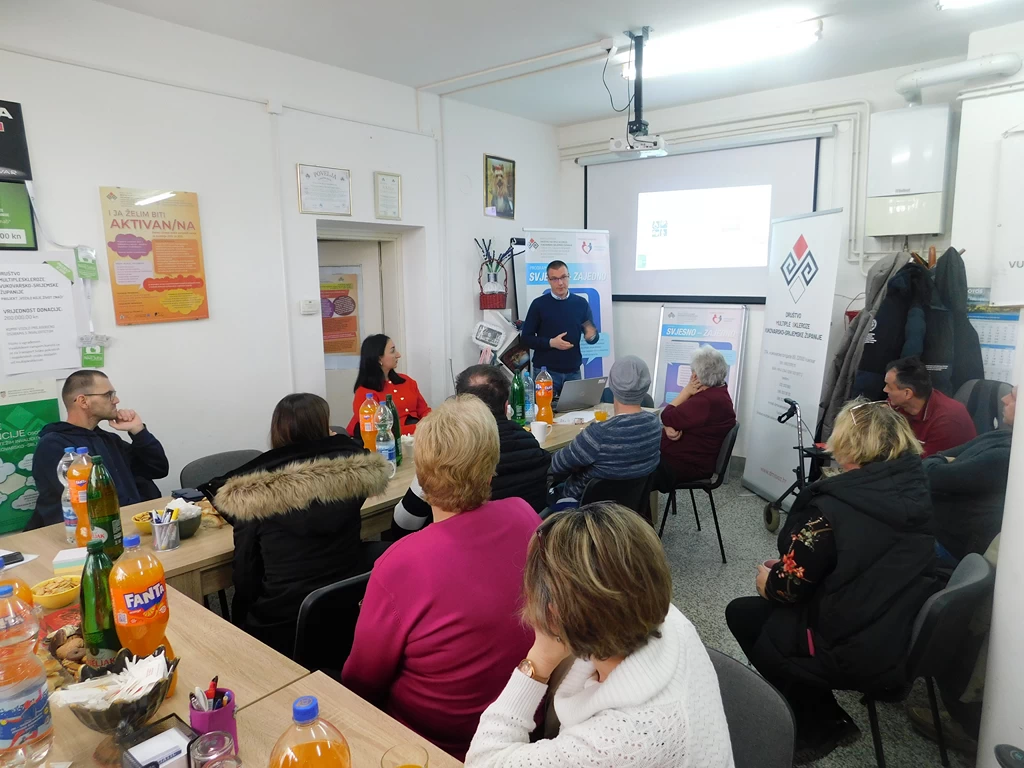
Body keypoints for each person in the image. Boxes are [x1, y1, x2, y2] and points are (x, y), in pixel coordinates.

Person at [725, 398, 939, 763]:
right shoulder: (914, 491)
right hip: (894, 631)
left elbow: (786, 590)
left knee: (744, 614)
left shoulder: (831, 511)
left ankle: (818, 722)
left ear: (849, 446)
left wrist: (769, 581)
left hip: (851, 646)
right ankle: (822, 711)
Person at [342, 396, 541, 760]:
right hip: (524, 725)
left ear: (421, 476)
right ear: (491, 467)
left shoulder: (400, 564)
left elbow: (360, 682)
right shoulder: (525, 515)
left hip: (430, 747)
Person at [465, 502, 734, 768]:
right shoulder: (667, 618)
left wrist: (539, 660)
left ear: (554, 614)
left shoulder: (620, 742)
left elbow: (483, 760)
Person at [201, 393, 391, 656]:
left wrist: (242, 622)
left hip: (280, 625)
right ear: (323, 429)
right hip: (344, 610)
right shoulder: (352, 480)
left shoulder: (254, 497)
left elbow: (245, 575)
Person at [391, 365, 550, 537]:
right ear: (506, 406)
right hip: (526, 542)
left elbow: (404, 524)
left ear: (460, 404)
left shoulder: (448, 455)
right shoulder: (532, 445)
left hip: (457, 545)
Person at [26, 370, 168, 530]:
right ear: (83, 401)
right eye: (109, 395)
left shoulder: (108, 439)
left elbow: (158, 469)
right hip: (83, 532)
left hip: (125, 524)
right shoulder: (53, 445)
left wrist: (138, 431)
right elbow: (92, 501)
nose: (116, 400)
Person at [549, 355, 661, 509]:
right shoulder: (654, 425)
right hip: (629, 510)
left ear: (612, 386)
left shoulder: (598, 434)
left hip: (581, 511)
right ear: (646, 386)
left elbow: (556, 465)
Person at [924, 386, 1015, 563]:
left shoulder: (1007, 456)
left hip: (949, 546)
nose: (1004, 399)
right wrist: (943, 460)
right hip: (933, 527)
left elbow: (931, 475)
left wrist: (947, 460)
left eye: (1013, 397)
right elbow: (935, 458)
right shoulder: (1002, 435)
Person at [655, 345, 737, 491]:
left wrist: (685, 391)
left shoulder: (705, 402)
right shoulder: (719, 392)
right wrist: (669, 426)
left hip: (686, 464)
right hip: (690, 459)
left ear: (695, 376)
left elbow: (666, 415)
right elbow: (673, 418)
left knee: (636, 469)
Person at [520, 260, 600, 397]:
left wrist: (591, 336)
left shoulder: (581, 304)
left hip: (573, 372)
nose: (560, 283)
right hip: (545, 372)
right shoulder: (539, 305)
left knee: (576, 409)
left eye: (563, 277)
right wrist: (551, 343)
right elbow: (526, 338)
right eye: (555, 279)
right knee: (544, 409)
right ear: (548, 280)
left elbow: (591, 335)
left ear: (569, 276)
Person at [884, 356, 976, 457]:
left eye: (889, 387)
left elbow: (925, 463)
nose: (885, 390)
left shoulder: (947, 421)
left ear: (907, 393)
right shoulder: (898, 405)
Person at [345, 334, 430, 437]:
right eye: (392, 351)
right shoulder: (365, 392)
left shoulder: (407, 381)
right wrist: (421, 428)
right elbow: (380, 430)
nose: (398, 355)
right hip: (384, 442)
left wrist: (434, 423)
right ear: (379, 359)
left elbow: (424, 411)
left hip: (416, 436)